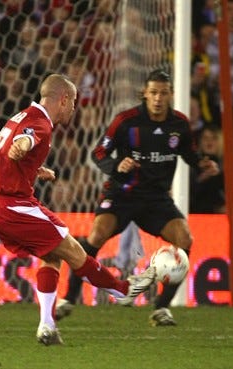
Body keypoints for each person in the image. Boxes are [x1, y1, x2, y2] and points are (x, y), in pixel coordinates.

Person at [0, 73, 155, 346]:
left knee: (52, 258)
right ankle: (124, 291)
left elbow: (7, 152)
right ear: (63, 100)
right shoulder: (39, 124)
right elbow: (24, 141)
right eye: (73, 102)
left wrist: (35, 169)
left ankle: (47, 327)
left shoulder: (21, 115)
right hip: (14, 205)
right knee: (75, 251)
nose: (74, 109)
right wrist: (23, 147)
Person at [54, 70, 220, 327]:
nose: (158, 98)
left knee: (185, 239)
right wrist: (118, 164)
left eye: (163, 93)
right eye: (153, 92)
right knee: (97, 234)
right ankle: (69, 297)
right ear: (145, 93)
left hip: (156, 199)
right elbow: (99, 152)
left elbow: (188, 153)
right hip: (122, 193)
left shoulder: (179, 124)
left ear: (170, 95)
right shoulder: (126, 121)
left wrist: (202, 164)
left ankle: (162, 309)